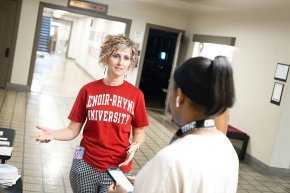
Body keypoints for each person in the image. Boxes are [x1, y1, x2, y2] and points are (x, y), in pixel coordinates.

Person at [31, 34, 149, 193]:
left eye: (126, 58)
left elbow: (139, 131)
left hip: (117, 169)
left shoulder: (136, 95)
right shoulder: (88, 90)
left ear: (131, 63)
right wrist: (54, 134)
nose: (121, 62)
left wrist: (136, 144)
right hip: (86, 165)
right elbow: (72, 130)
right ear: (106, 57)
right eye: (116, 56)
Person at [108, 56, 238, 193]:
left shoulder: (171, 160)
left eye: (171, 89)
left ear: (180, 96)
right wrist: (147, 182)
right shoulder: (226, 147)